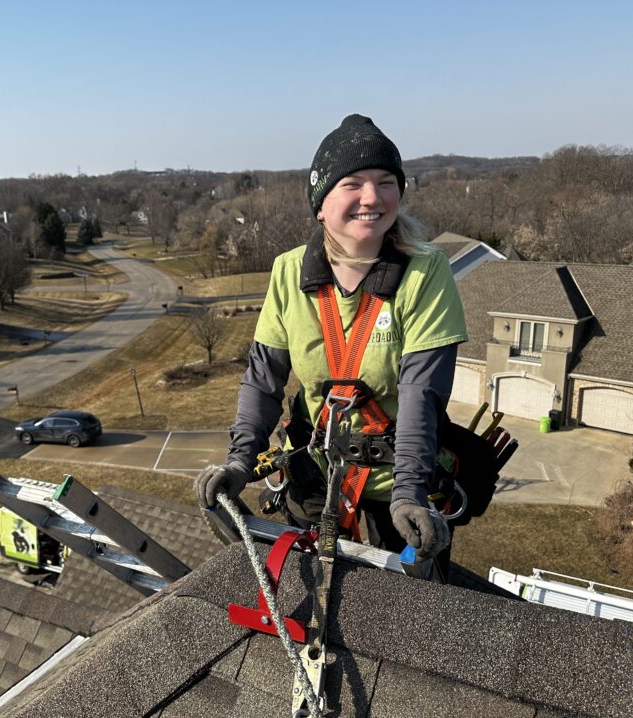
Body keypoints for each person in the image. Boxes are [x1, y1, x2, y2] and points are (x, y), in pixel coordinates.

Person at [196, 114, 467, 562]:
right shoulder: (289, 272)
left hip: (395, 481)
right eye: (353, 184)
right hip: (313, 469)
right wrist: (240, 461)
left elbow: (423, 394)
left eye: (386, 182)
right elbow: (264, 379)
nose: (372, 197)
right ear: (321, 203)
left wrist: (409, 493)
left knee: (403, 613)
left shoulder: (425, 272)